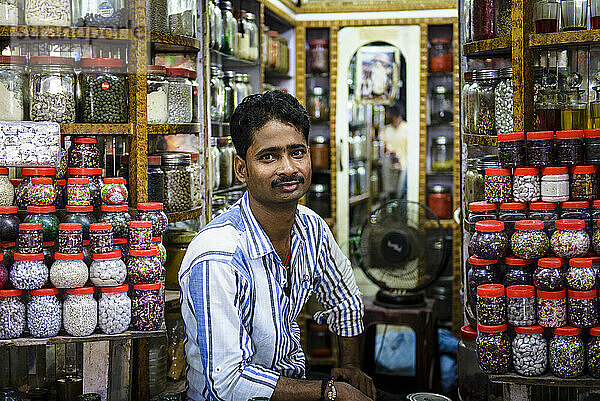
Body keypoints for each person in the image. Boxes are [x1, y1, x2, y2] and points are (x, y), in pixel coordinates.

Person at [178, 91, 377, 401]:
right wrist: (330, 392)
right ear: (241, 168)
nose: (288, 168)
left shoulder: (310, 228)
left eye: (297, 152)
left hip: (293, 383)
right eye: (268, 156)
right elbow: (228, 382)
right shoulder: (218, 256)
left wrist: (350, 367)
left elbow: (346, 301)